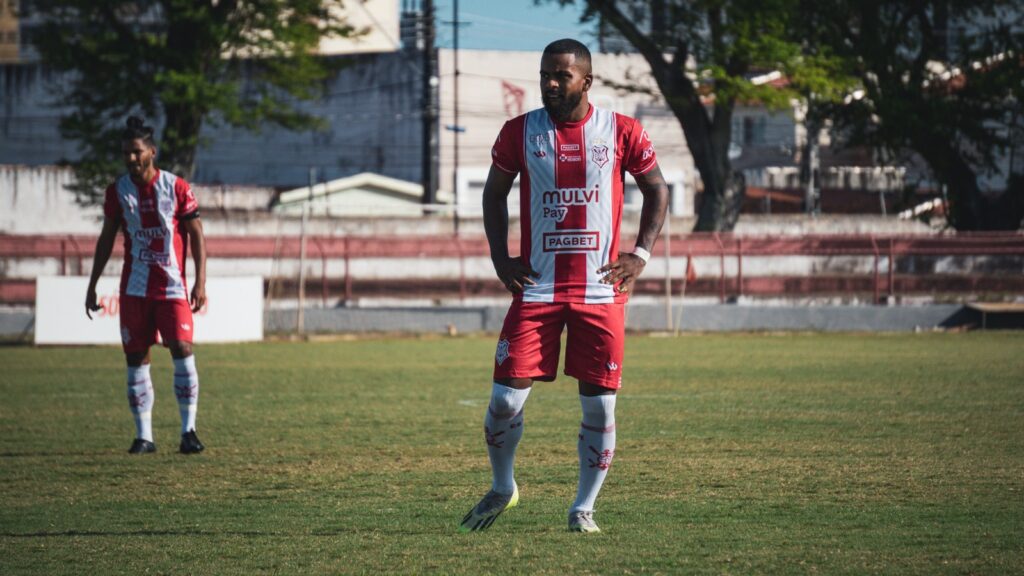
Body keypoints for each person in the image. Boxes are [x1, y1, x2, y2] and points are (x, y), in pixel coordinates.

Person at [459, 39, 669, 533]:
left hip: (600, 292)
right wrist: (499, 256)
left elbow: (657, 188)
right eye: (545, 75)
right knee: (504, 400)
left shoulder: (621, 131)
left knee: (599, 405)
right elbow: (494, 192)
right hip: (536, 289)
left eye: (562, 76)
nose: (550, 85)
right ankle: (504, 487)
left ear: (586, 81)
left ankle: (583, 508)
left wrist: (640, 254)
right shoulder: (520, 131)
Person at [85, 116, 208, 455]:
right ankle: (144, 437)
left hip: (171, 288)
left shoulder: (177, 187)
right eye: (126, 153)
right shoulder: (117, 191)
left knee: (182, 349)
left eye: (137, 152)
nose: (131, 158)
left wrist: (200, 282)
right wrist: (92, 284)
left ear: (152, 152)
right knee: (136, 357)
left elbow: (196, 235)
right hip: (135, 289)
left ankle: (189, 432)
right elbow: (106, 239)